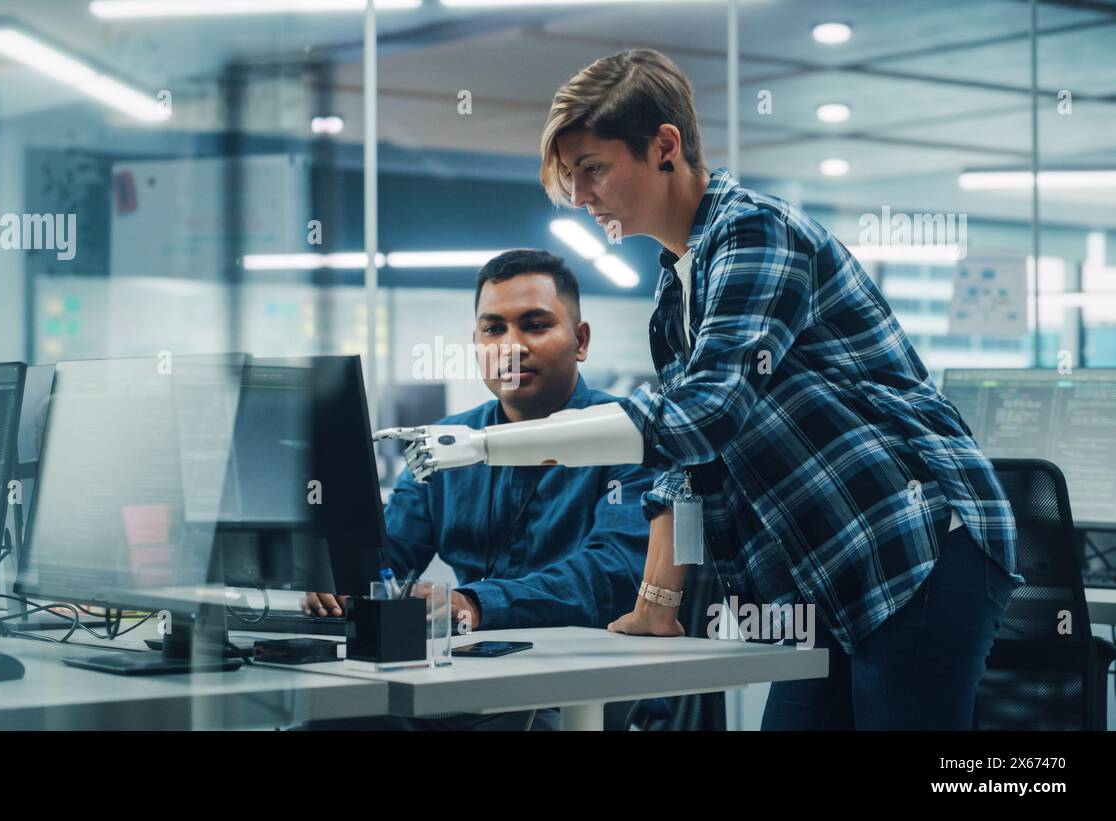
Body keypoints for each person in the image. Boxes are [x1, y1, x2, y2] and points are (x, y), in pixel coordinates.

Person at [382, 49, 1025, 731]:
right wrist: (658, 601)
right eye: (571, 177)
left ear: (665, 146)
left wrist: (486, 446)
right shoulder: (677, 289)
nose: (579, 196)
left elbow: (707, 414)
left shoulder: (756, 231)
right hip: (831, 571)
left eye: (593, 169)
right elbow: (685, 463)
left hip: (917, 545)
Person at [301, 249, 654, 731]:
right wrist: (337, 576)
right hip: (456, 681)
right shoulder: (446, 443)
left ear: (580, 340)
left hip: (567, 689)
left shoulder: (629, 437)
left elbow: (611, 573)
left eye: (535, 325)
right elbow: (387, 554)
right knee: (332, 719)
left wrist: (475, 603)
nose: (511, 347)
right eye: (494, 330)